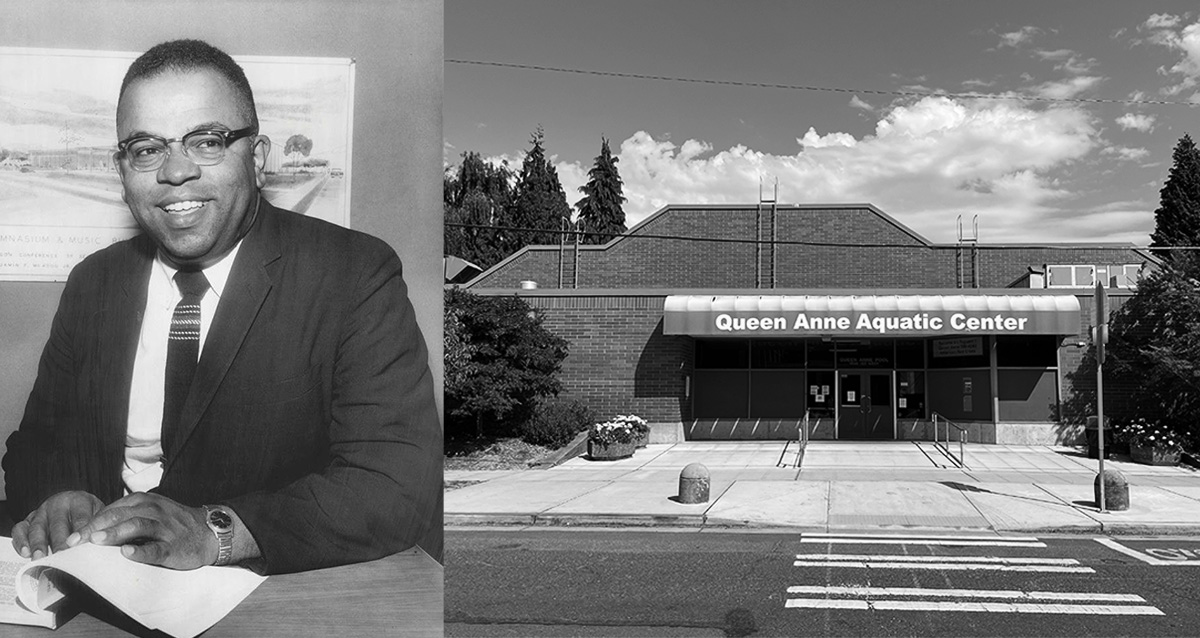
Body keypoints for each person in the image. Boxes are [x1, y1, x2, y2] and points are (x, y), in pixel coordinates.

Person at [2, 39, 441, 574]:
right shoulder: (94, 282)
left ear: (257, 159)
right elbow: (36, 447)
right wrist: (59, 496)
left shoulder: (354, 276)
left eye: (206, 141)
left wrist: (216, 533)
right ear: (123, 170)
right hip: (108, 593)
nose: (175, 172)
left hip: (276, 597)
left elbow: (394, 485)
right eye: (146, 148)